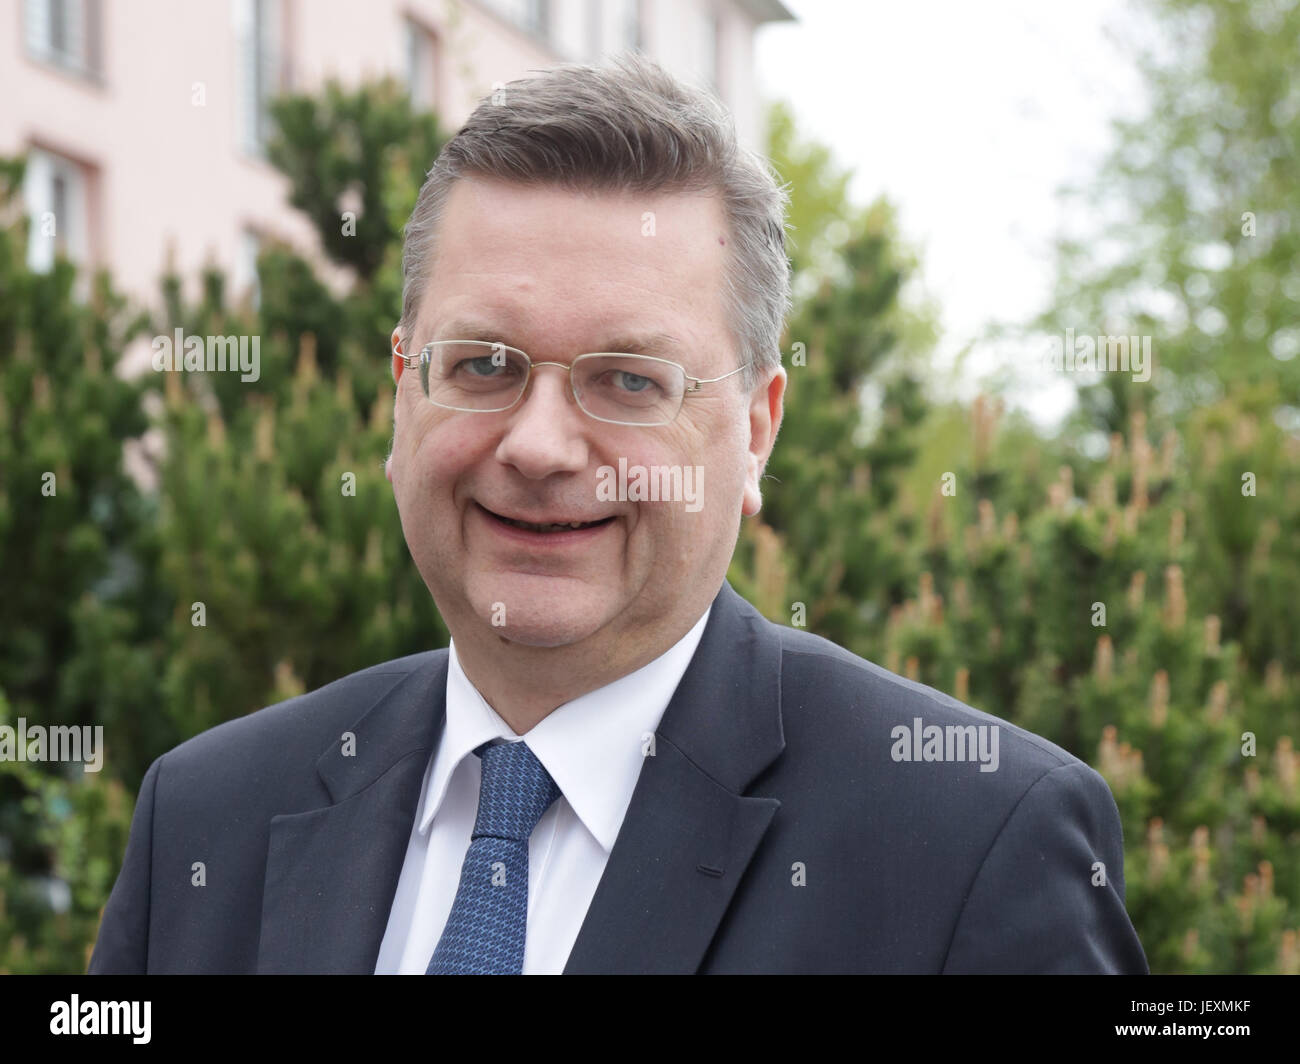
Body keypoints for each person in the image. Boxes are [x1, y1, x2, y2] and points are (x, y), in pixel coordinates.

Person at [88, 54, 1147, 975]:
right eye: (484, 364)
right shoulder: (209, 813)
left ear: (757, 428)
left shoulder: (971, 843)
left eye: (629, 381)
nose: (540, 446)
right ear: (402, 392)